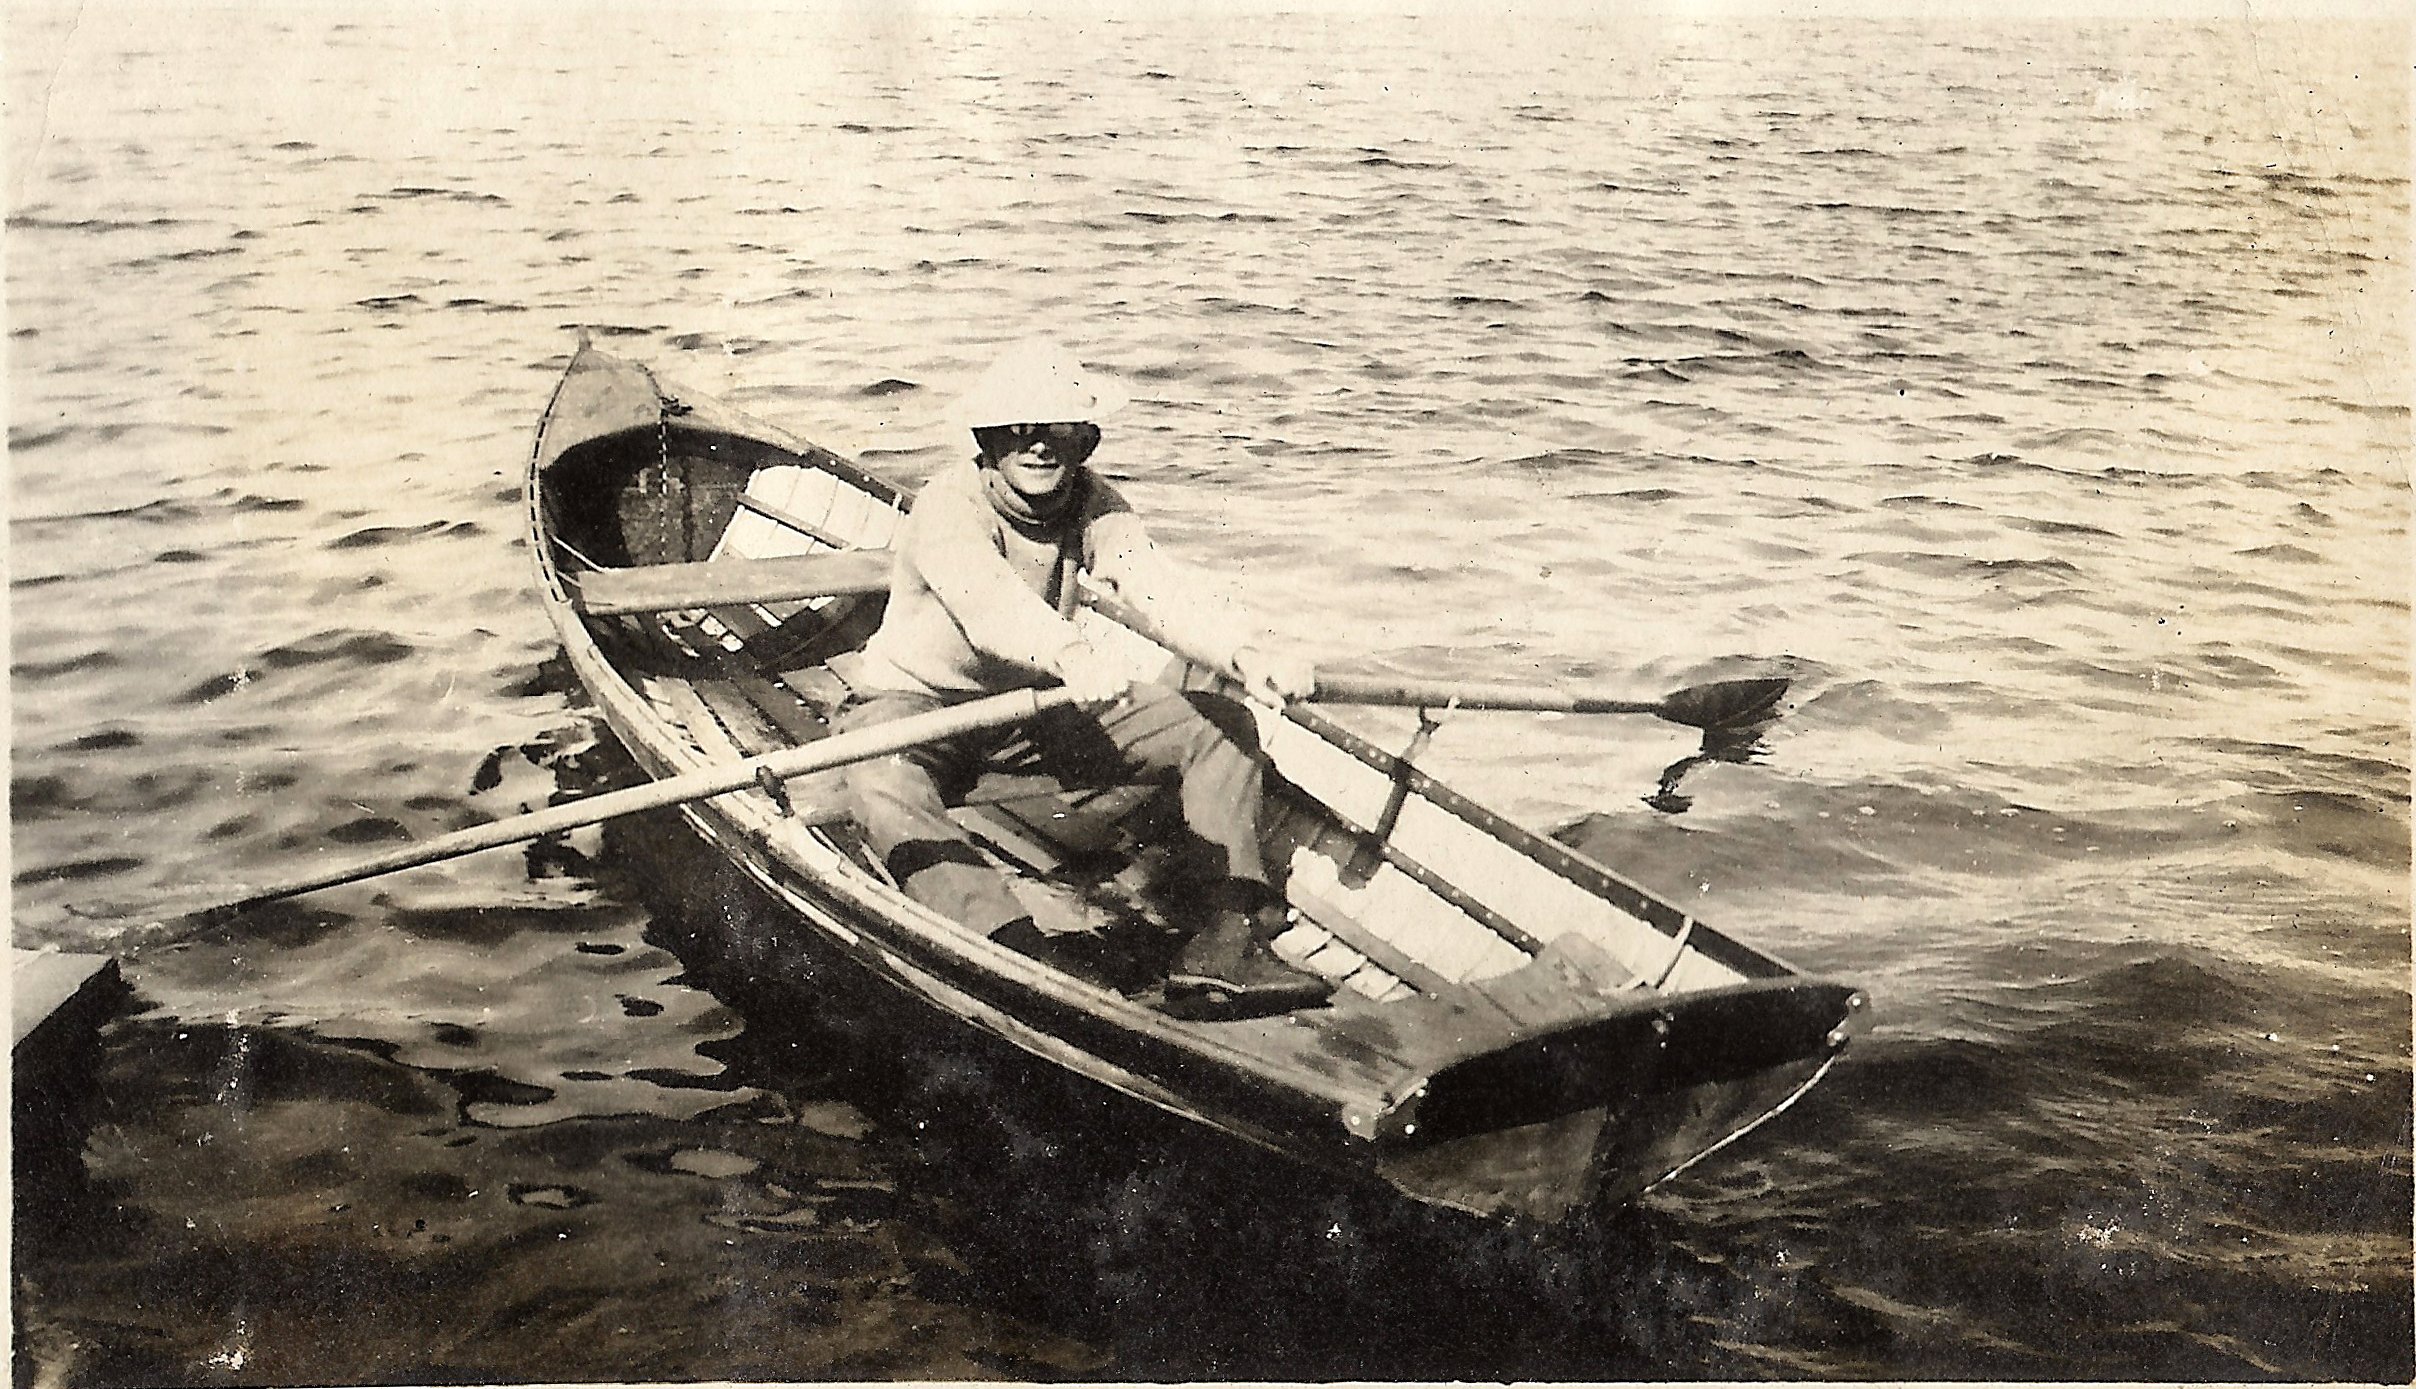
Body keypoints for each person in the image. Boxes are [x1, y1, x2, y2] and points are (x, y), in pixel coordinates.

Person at [831, 340, 1331, 1021]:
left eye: (1061, 430)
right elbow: (988, 607)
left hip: (1029, 714)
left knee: (1223, 726)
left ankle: (1229, 934)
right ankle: (1008, 947)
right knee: (882, 779)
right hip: (914, 708)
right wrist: (1068, 650)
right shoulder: (946, 506)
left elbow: (1157, 587)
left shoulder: (1095, 502)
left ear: (1086, 439)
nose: (1040, 446)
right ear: (988, 439)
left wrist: (1248, 652)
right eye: (1020, 430)